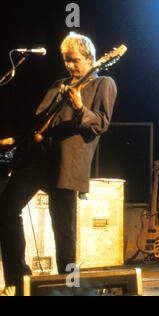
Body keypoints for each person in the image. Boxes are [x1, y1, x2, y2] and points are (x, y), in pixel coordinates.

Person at [0, 32, 117, 295]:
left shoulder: (104, 84)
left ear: (90, 58)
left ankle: (70, 285)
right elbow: (40, 117)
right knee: (6, 208)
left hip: (68, 162)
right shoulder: (59, 84)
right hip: (39, 159)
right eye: (66, 60)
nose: (69, 66)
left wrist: (79, 109)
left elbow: (101, 123)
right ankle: (18, 279)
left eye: (74, 60)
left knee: (63, 228)